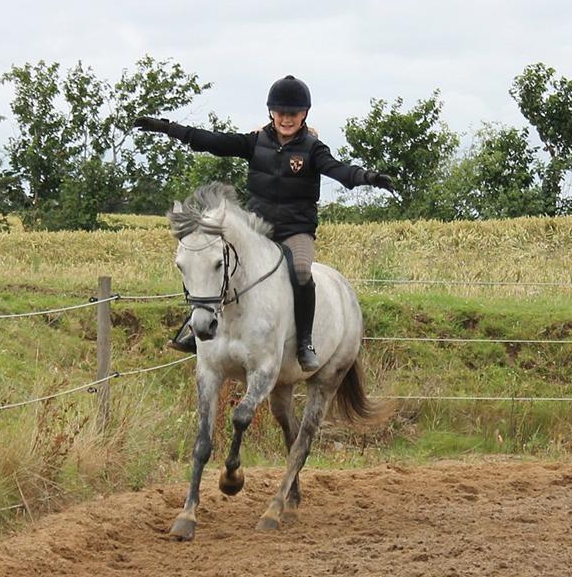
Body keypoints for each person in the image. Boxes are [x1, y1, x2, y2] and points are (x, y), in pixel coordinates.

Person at [133, 75, 395, 372]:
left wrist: (368, 178)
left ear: (304, 115)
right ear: (271, 112)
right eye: (281, 113)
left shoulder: (312, 149)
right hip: (258, 228)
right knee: (220, 262)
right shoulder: (255, 142)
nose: (286, 119)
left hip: (296, 229)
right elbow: (213, 141)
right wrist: (168, 128)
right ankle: (196, 330)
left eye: (293, 114)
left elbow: (339, 170)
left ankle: (305, 342)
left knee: (300, 271)